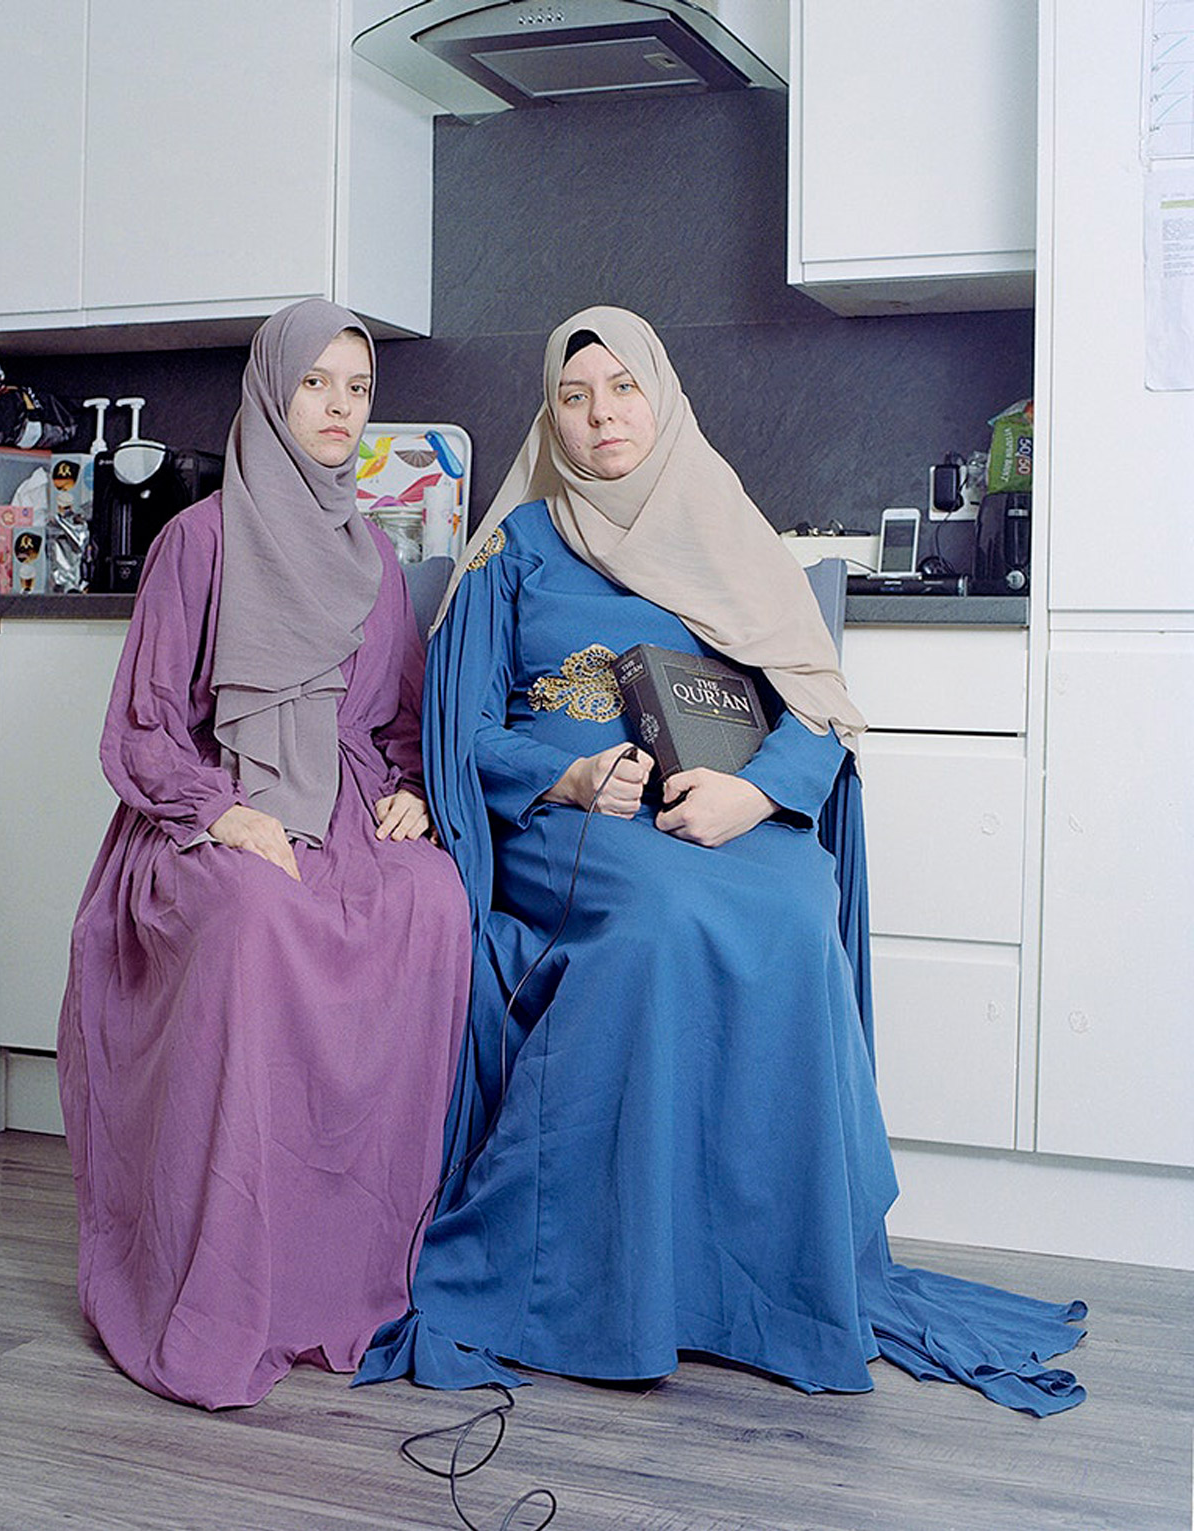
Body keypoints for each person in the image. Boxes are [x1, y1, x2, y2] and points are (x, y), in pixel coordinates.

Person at [355, 306, 1087, 1416]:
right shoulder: (516, 548)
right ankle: (616, 1285)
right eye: (574, 397)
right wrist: (567, 777)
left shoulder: (727, 530)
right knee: (655, 916)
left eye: (624, 390)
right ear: (549, 418)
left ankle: (770, 1287)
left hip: (725, 815)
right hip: (574, 823)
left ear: (663, 399)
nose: (602, 415)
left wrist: (755, 795)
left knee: (796, 903)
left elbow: (815, 705)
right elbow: (464, 733)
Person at [57, 299, 472, 1410]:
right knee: (256, 915)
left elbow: (396, 725)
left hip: (343, 810)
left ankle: (355, 1270)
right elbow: (142, 729)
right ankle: (229, 1280)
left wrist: (412, 797)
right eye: (315, 383)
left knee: (433, 899)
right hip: (206, 811)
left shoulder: (373, 554)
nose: (339, 408)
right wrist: (220, 811)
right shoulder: (198, 542)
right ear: (271, 391)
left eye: (358, 389)